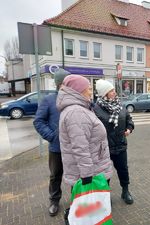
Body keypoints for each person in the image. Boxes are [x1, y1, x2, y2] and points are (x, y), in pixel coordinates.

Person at [56, 75, 113, 224]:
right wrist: (87, 178)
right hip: (91, 172)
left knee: (90, 212)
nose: (90, 92)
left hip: (94, 166)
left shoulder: (80, 108)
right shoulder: (76, 112)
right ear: (78, 90)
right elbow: (80, 148)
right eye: (88, 88)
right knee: (88, 213)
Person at [33, 68, 70, 216]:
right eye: (68, 82)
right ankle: (54, 201)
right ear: (60, 84)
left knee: (76, 174)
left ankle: (77, 199)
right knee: (55, 175)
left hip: (74, 147)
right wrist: (52, 136)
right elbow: (38, 121)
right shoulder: (48, 100)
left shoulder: (74, 99)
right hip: (56, 147)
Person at [93, 79, 135, 204]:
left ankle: (125, 191)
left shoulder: (120, 105)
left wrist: (129, 128)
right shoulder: (96, 108)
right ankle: (105, 196)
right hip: (104, 147)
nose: (114, 92)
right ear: (104, 93)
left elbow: (129, 119)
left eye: (113, 90)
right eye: (110, 90)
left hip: (121, 145)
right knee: (105, 174)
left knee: (123, 169)